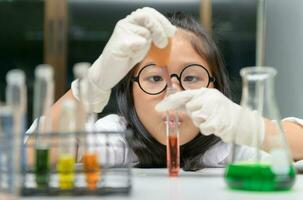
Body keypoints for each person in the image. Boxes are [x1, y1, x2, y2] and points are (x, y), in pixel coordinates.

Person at [27, 7, 303, 170]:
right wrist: (92, 85)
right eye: (154, 78)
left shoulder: (226, 141)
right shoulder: (120, 136)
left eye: (192, 78)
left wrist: (245, 124)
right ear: (130, 92)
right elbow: (31, 156)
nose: (174, 93)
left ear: (215, 86)